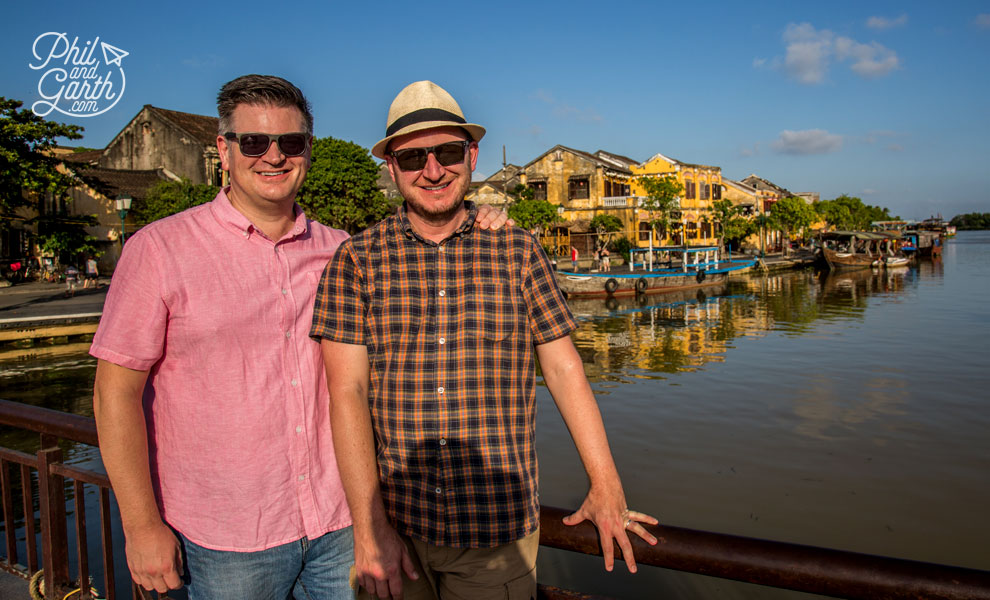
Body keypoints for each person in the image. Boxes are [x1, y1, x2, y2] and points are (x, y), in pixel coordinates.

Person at [90, 74, 511, 600]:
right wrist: (140, 526)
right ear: (223, 149)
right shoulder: (160, 250)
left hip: (342, 524)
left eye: (290, 142)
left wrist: (478, 216)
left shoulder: (345, 253)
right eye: (254, 142)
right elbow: (115, 393)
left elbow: (424, 250)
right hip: (228, 537)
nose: (273, 156)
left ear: (307, 151)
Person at [311, 80, 657, 600]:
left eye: (448, 152)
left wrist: (605, 484)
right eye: (413, 159)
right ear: (392, 168)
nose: (433, 170)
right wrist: (369, 527)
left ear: (471, 156)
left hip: (496, 531)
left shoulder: (517, 250)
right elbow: (347, 394)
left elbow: (564, 370)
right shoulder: (357, 261)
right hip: (398, 527)